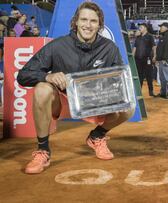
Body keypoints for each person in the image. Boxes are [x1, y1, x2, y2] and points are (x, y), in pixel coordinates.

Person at [17, 2, 134, 174]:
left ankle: (97, 136)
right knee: (42, 88)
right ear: (76, 22)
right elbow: (23, 75)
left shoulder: (109, 48)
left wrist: (106, 89)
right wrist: (48, 76)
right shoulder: (57, 46)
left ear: (100, 24)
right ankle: (43, 150)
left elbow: (119, 81)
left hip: (95, 103)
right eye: (84, 20)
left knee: (129, 106)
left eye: (93, 21)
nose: (88, 25)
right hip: (64, 103)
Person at [132, 23, 156, 96]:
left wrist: (155, 56)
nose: (140, 28)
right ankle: (139, 92)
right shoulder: (138, 37)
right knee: (139, 76)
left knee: (149, 76)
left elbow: (154, 47)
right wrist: (132, 58)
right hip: (138, 60)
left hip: (147, 59)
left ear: (145, 28)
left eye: (141, 27)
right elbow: (134, 48)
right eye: (139, 27)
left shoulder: (150, 36)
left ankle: (151, 91)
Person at [155, 22, 168, 99]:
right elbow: (159, 49)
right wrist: (157, 59)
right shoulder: (162, 36)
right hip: (161, 60)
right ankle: (163, 92)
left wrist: (165, 59)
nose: (160, 28)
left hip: (166, 60)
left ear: (166, 28)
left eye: (161, 27)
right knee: (162, 77)